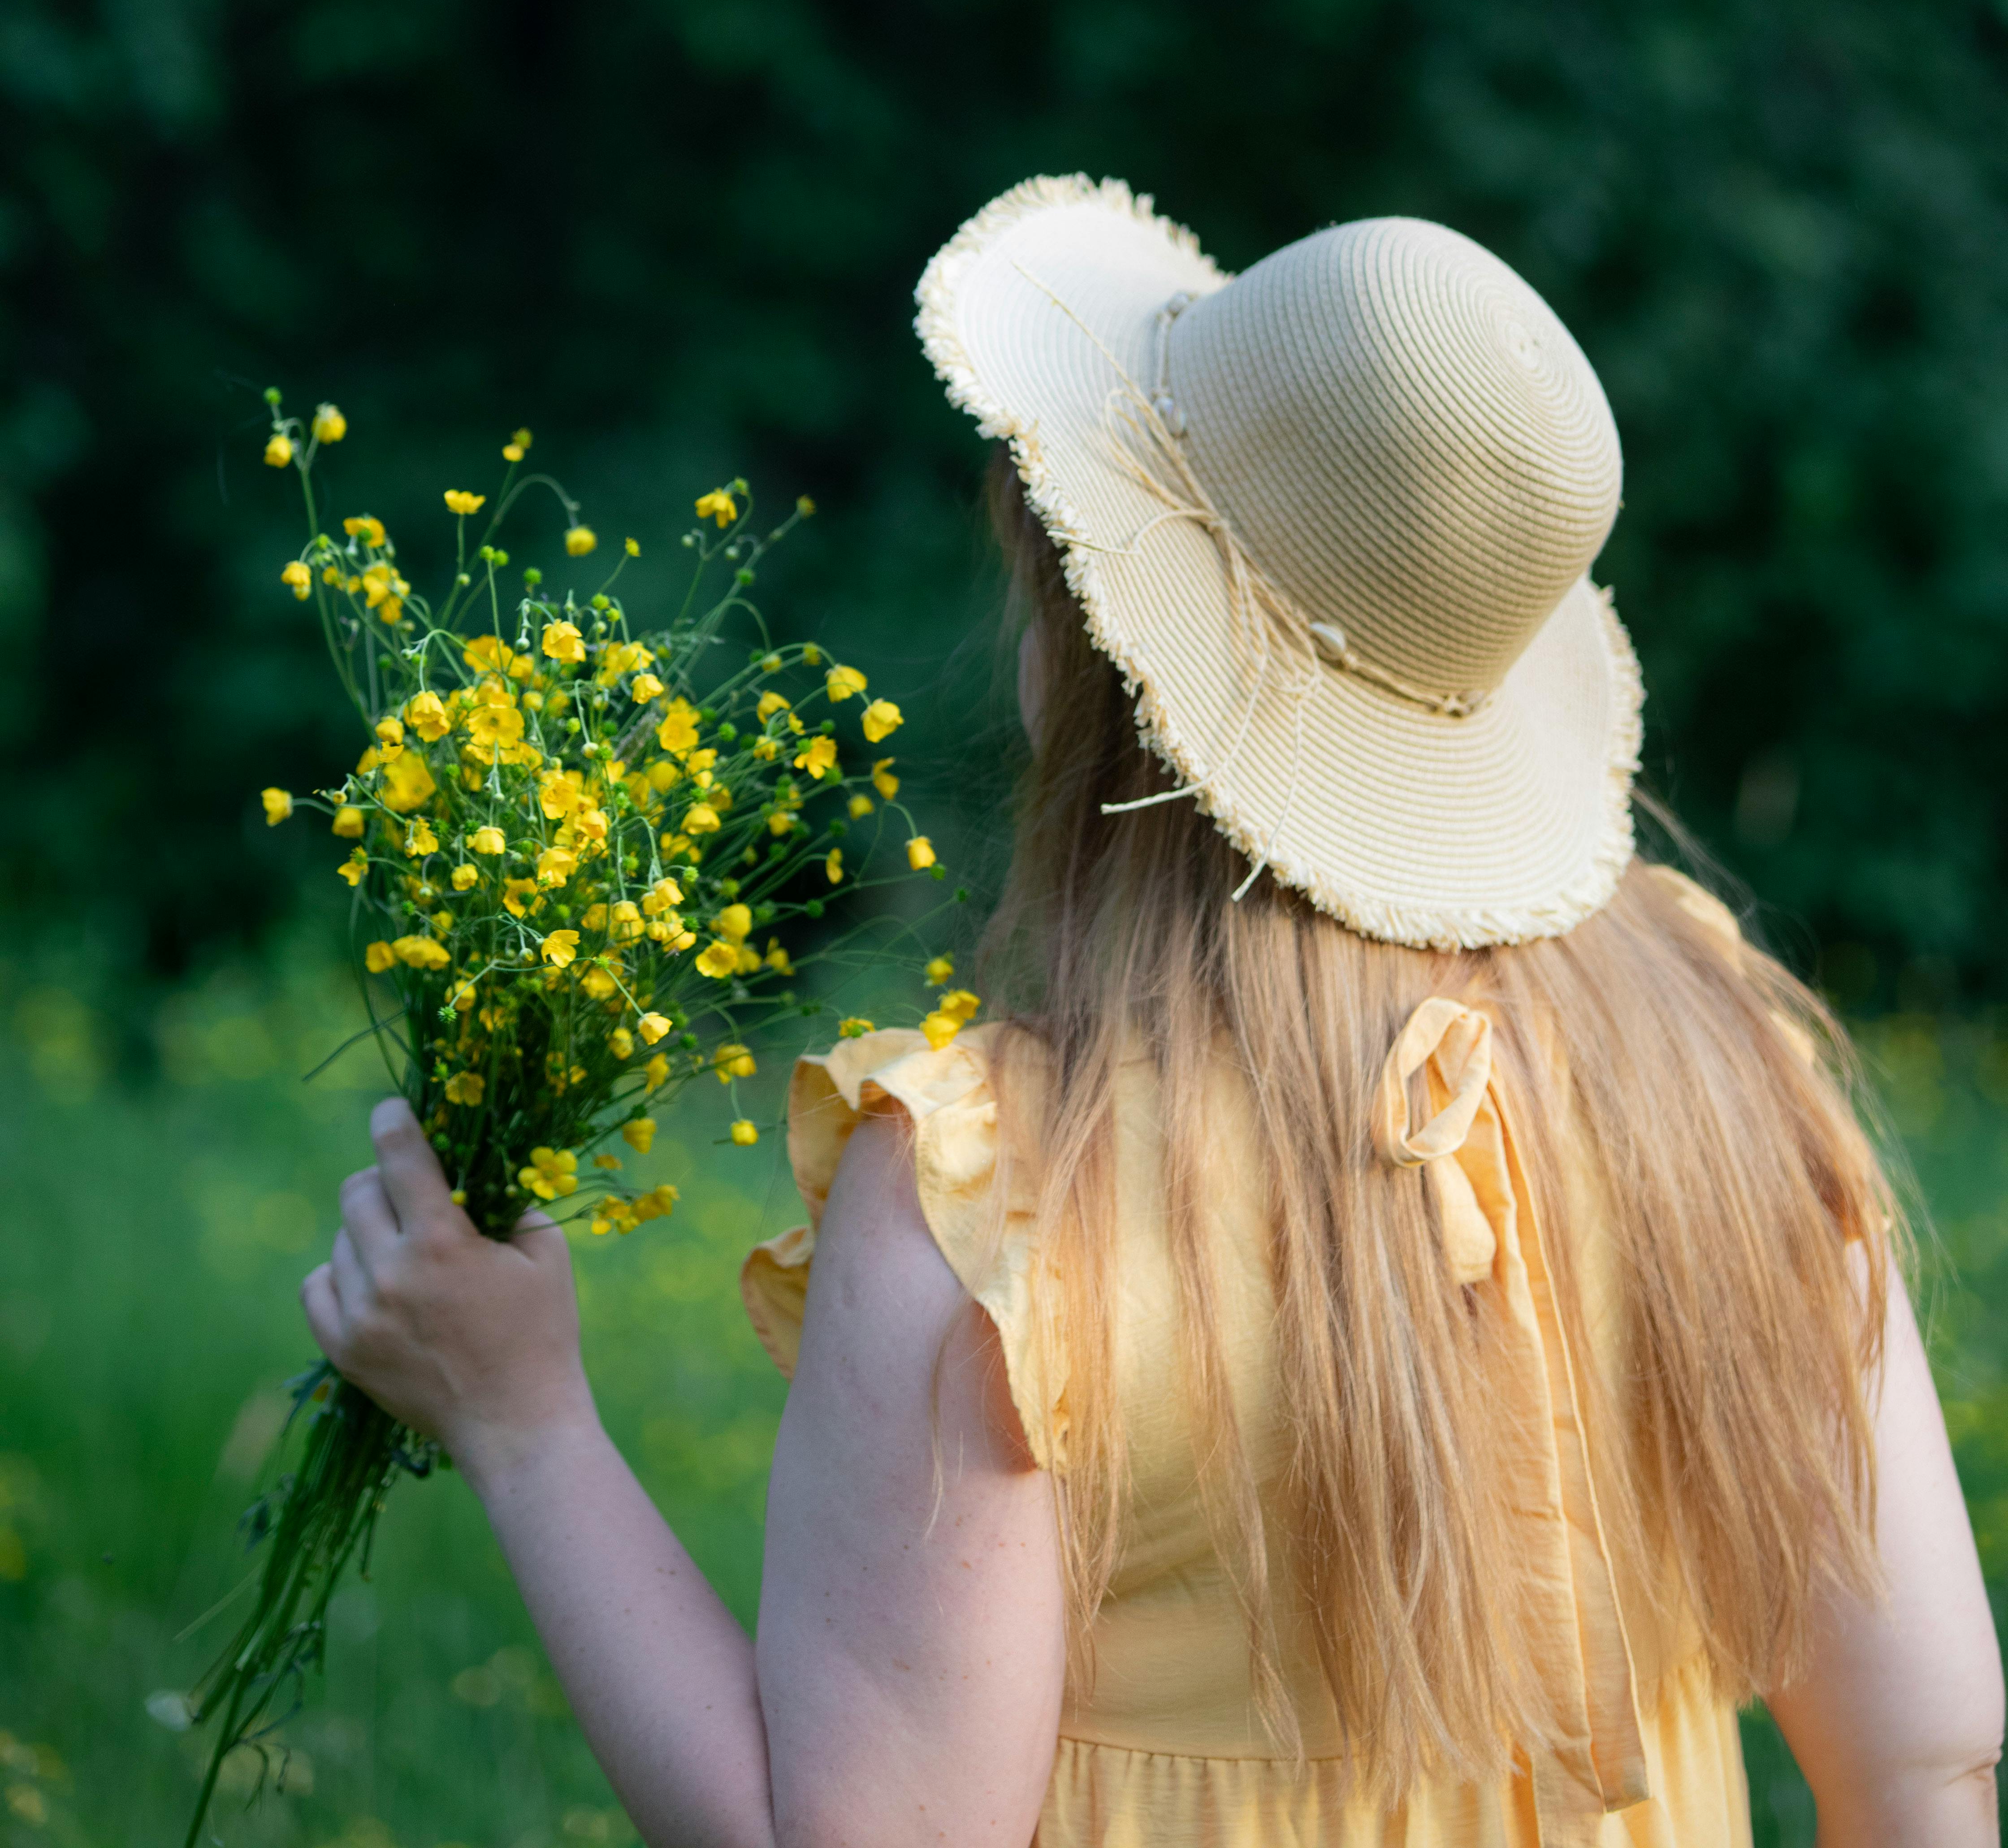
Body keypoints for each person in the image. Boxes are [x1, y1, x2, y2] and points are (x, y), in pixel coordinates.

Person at [307, 181, 2003, 1847]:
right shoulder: (1729, 1081)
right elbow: (1926, 1762)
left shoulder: (1003, 1210)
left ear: (1091, 645)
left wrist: (525, 1421)